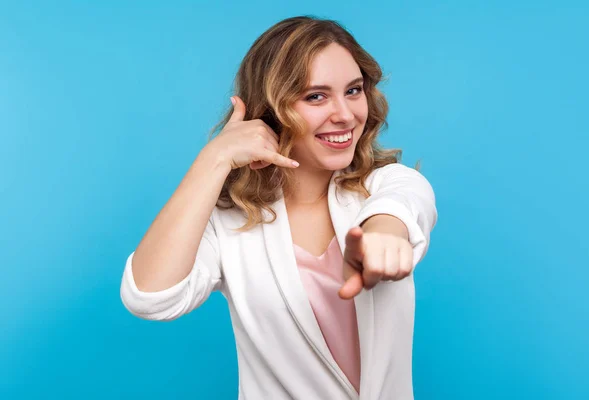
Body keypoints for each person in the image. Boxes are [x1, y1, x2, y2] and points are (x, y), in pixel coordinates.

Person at [120, 15, 437, 400]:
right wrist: (214, 160)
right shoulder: (229, 221)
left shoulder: (388, 185)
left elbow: (402, 205)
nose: (345, 114)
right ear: (270, 110)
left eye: (353, 91)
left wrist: (383, 231)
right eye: (315, 96)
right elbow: (150, 297)